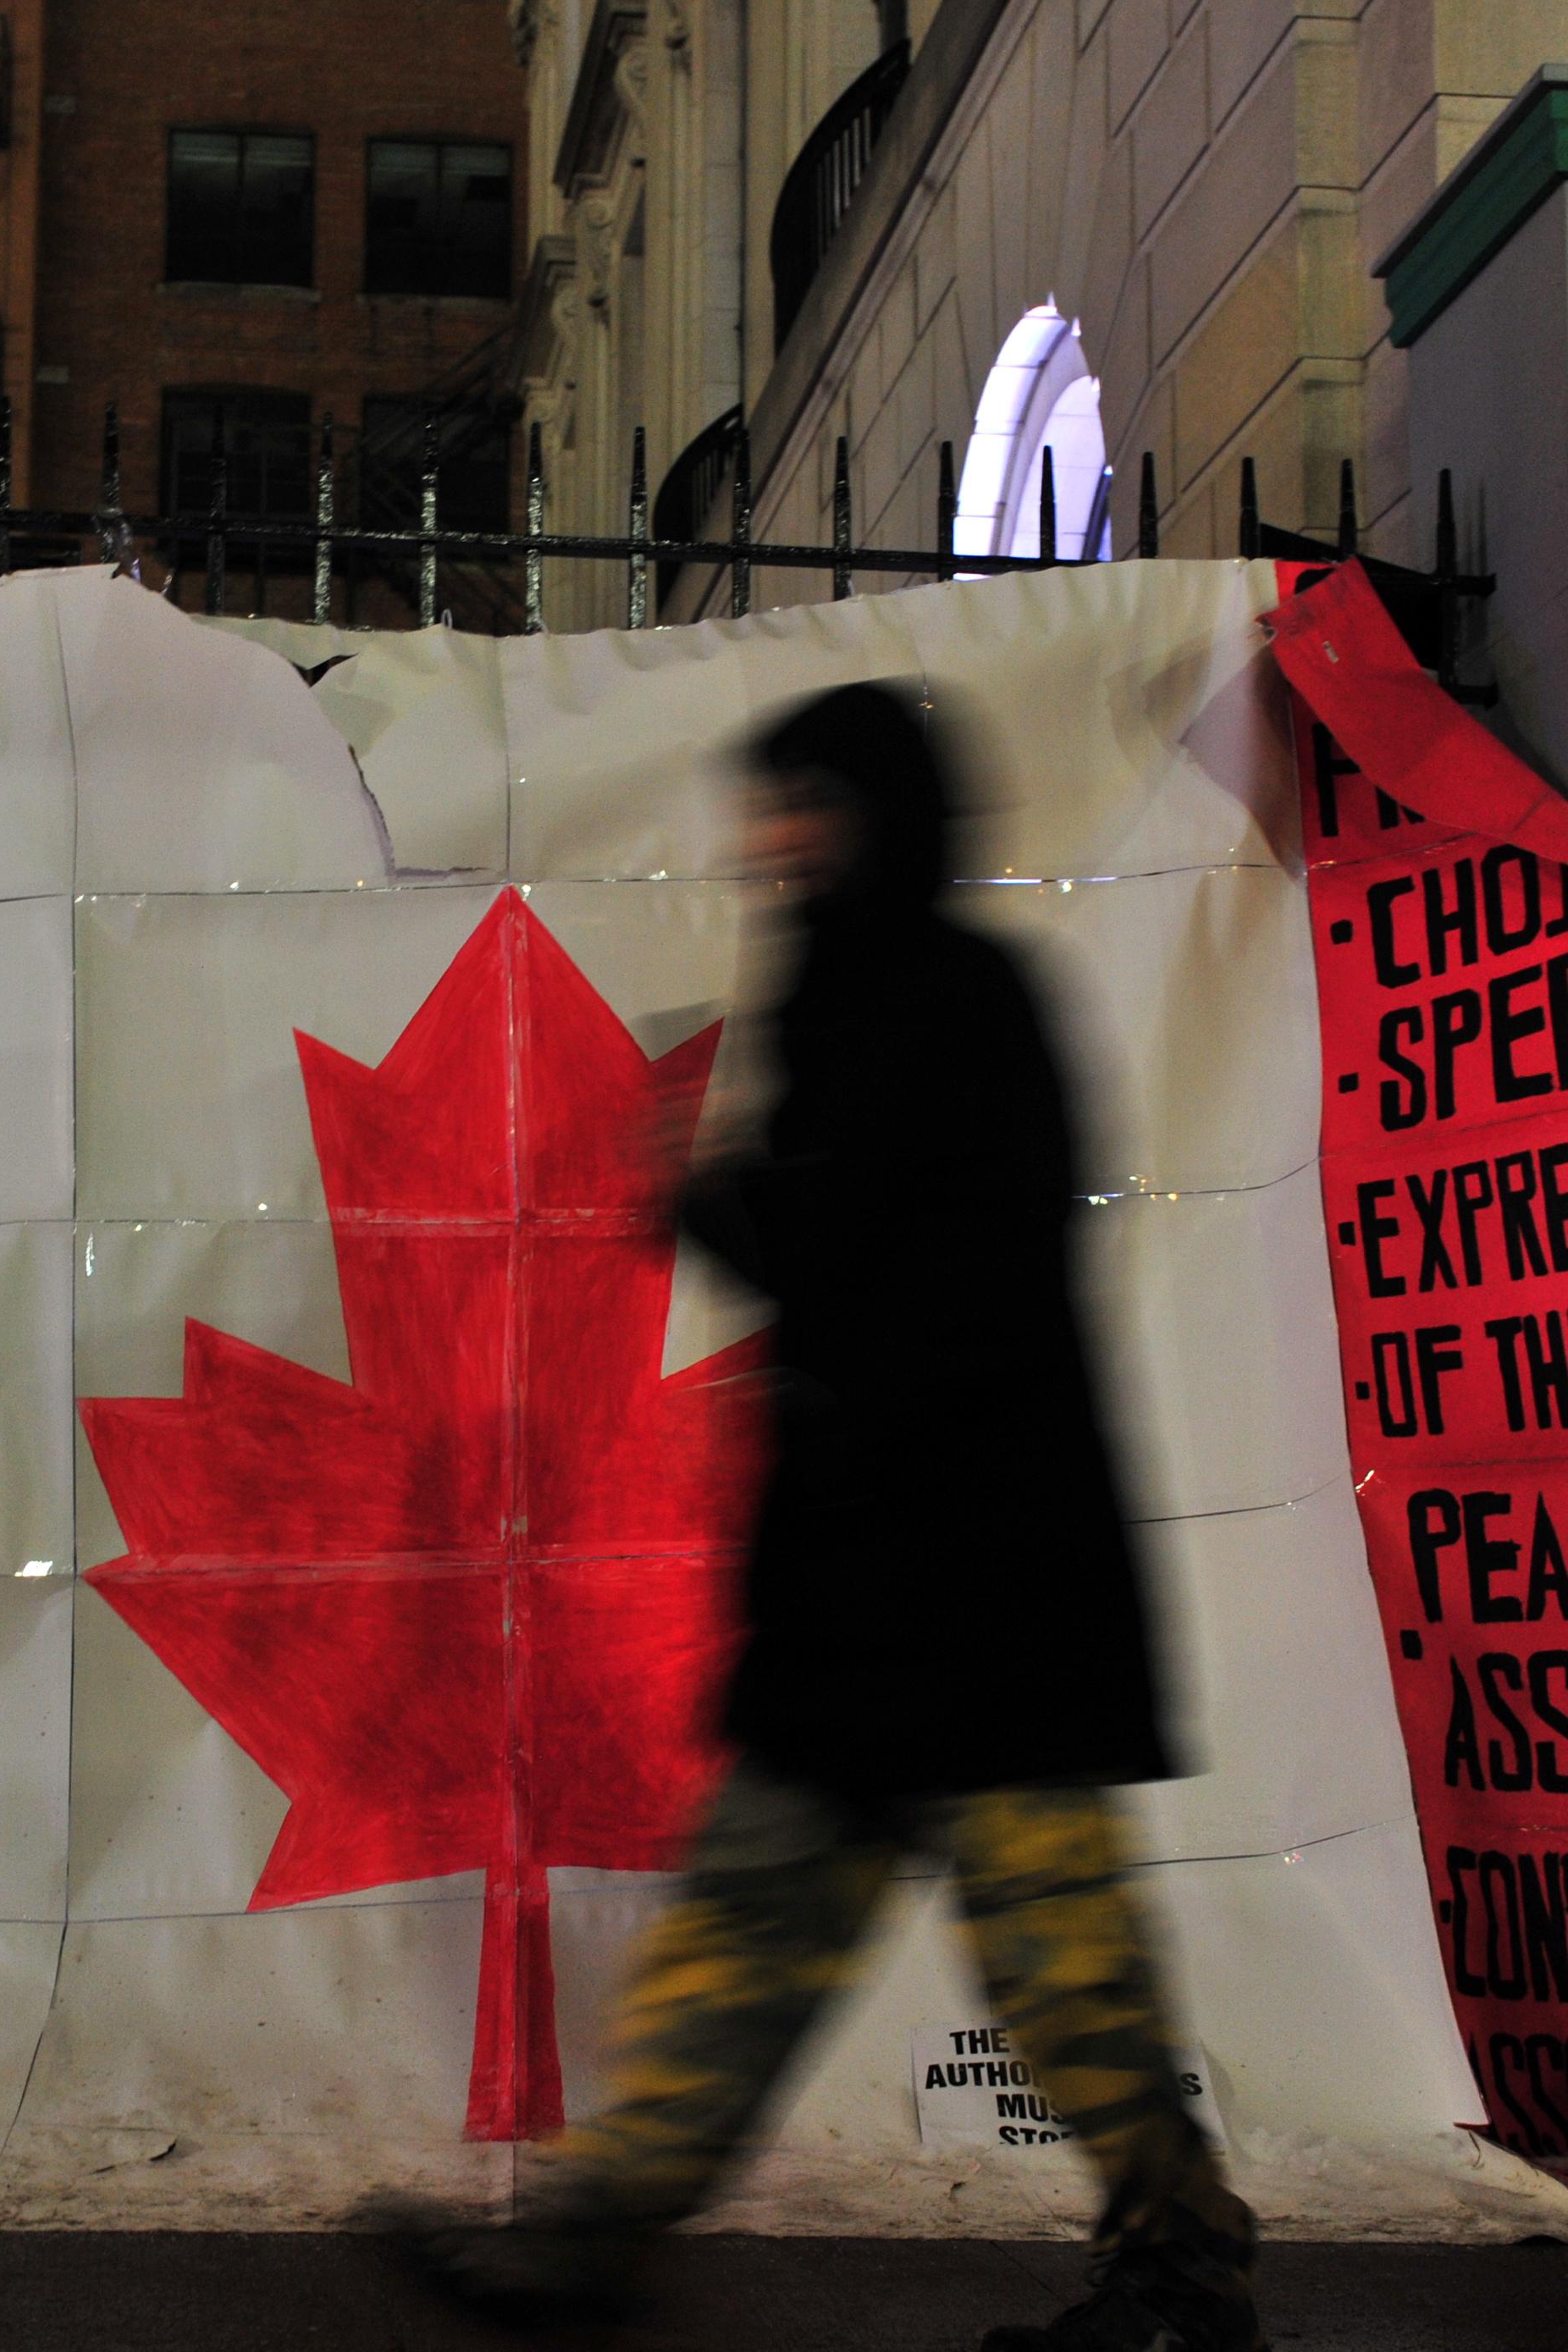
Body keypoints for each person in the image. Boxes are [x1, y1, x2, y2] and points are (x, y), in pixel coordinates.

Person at [389, 682, 1263, 2352]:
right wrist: (734, 1205)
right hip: (862, 1595)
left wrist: (727, 1198)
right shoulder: (840, 999)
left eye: (812, 807)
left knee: (1055, 1955)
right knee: (751, 1922)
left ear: (887, 819)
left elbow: (924, 1275)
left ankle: (1183, 2270)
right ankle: (595, 2239)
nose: (780, 841)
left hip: (984, 1592)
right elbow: (844, 1266)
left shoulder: (961, 1001)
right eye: (773, 807)